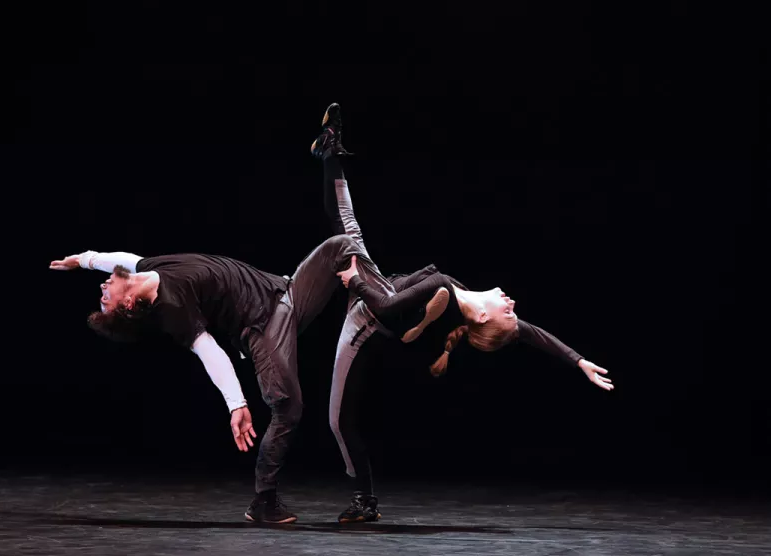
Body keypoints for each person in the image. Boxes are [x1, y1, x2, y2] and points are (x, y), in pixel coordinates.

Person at [310, 103, 613, 523]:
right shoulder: (466, 298)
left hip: (365, 318)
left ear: (486, 320)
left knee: (338, 421)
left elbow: (381, 307)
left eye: (508, 312)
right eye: (513, 312)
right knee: (347, 226)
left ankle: (365, 501)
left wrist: (353, 280)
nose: (513, 305)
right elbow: (533, 334)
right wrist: (578, 360)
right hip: (380, 288)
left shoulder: (444, 295)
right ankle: (329, 151)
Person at [49, 224, 387, 523]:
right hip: (264, 326)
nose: (102, 288)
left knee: (341, 245)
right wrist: (236, 404)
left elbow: (119, 259)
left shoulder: (148, 268)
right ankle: (264, 501)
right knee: (288, 406)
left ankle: (392, 305)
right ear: (128, 306)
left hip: (285, 291)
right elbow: (209, 351)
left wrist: (83, 259)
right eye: (105, 299)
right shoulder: (172, 310)